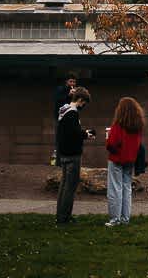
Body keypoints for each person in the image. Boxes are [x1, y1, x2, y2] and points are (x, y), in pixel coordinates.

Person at [54, 85, 94, 225]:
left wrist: (83, 133)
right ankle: (65, 218)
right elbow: (74, 134)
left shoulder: (63, 110)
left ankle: (60, 215)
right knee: (70, 188)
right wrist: (86, 134)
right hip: (72, 155)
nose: (83, 105)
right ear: (80, 99)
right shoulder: (72, 112)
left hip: (63, 153)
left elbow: (67, 132)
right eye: (84, 103)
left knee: (63, 186)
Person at [104, 97, 146, 227]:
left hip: (116, 159)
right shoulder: (138, 126)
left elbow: (111, 144)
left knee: (115, 189)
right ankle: (125, 218)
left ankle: (115, 219)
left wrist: (107, 139)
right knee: (127, 188)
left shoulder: (118, 125)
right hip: (130, 160)